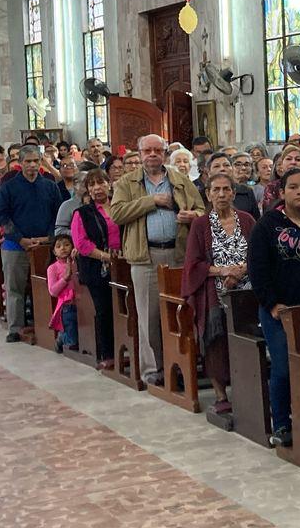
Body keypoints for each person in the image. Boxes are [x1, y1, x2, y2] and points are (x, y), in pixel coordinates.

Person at [247, 168, 300, 447]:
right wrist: (272, 304)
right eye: (294, 187)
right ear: (282, 192)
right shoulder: (267, 225)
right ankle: (282, 423)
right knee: (284, 367)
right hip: (281, 309)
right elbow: (257, 268)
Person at [110, 134, 206, 383]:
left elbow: (202, 210)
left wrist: (191, 215)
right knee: (150, 315)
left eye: (157, 150)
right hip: (146, 255)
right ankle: (154, 369)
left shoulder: (180, 179)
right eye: (147, 150)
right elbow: (117, 213)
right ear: (140, 154)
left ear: (164, 154)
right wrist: (150, 201)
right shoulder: (127, 182)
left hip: (178, 253)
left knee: (181, 313)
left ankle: (182, 364)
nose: (152, 154)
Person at [183, 172, 256, 416]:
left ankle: (249, 389)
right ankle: (220, 394)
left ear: (234, 193)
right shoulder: (201, 224)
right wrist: (222, 271)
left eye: (227, 189)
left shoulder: (246, 220)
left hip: (247, 289)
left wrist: (242, 269)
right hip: (215, 290)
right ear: (208, 194)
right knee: (216, 341)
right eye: (217, 190)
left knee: (248, 340)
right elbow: (194, 263)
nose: (222, 194)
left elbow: (257, 253)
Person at [0, 146, 69, 342]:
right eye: (28, 161)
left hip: (44, 245)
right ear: (20, 163)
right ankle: (15, 327)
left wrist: (48, 238)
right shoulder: (8, 187)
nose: (32, 165)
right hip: (16, 245)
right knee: (15, 288)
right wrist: (20, 238)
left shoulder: (49, 186)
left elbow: (57, 215)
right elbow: (2, 216)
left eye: (36, 161)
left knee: (44, 286)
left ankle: (45, 324)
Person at [71, 169, 120, 368]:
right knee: (104, 309)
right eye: (92, 185)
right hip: (96, 266)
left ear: (109, 184)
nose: (97, 188)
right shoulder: (82, 213)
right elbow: (81, 243)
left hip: (123, 262)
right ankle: (107, 354)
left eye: (100, 183)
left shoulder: (119, 206)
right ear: (88, 190)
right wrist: (106, 257)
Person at [46, 234, 79, 352]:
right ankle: (61, 337)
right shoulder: (53, 268)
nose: (63, 248)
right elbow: (53, 291)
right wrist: (65, 278)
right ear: (54, 251)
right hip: (66, 306)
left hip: (80, 302)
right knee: (72, 342)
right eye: (58, 246)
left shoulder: (77, 262)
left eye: (66, 245)